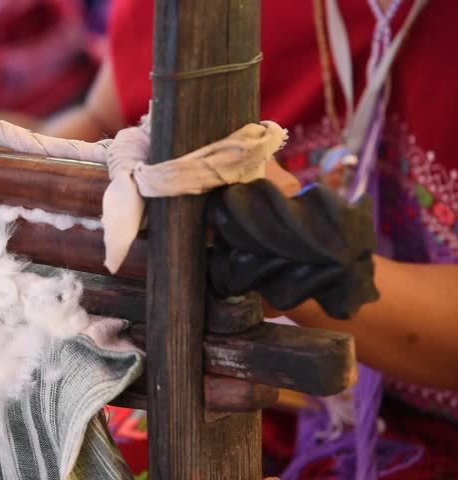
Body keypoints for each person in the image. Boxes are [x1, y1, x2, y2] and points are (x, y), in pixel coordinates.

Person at [30, 0, 458, 477]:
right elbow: (101, 121)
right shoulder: (196, 16)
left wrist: (289, 251)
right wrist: (24, 177)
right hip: (231, 386)